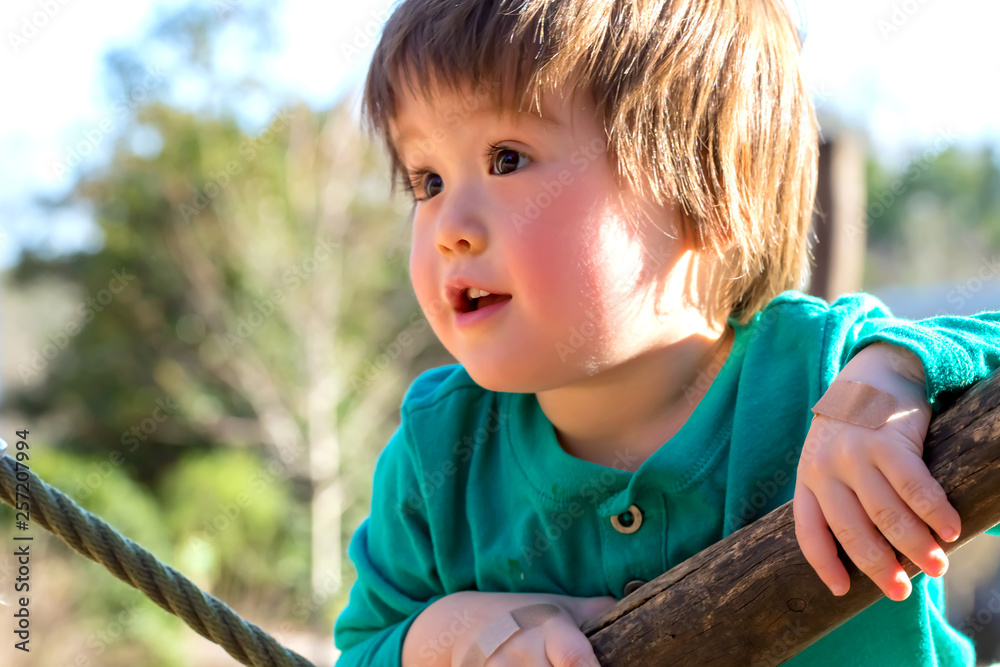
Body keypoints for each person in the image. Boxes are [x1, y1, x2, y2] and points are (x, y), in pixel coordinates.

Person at [334, 0, 1000, 664]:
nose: (450, 227)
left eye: (507, 159)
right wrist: (445, 634)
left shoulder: (820, 372)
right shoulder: (439, 454)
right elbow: (362, 649)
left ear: (704, 189)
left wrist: (892, 379)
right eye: (428, 180)